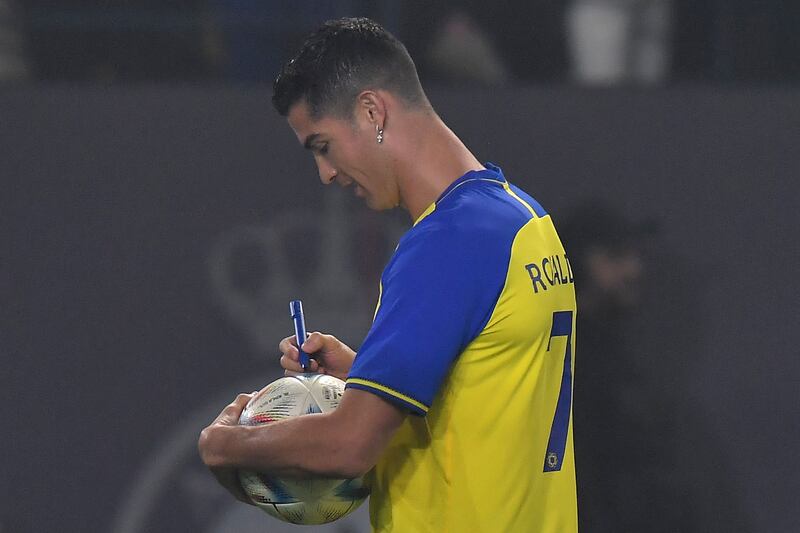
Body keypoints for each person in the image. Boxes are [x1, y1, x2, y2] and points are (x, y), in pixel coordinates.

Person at [198, 17, 578, 532]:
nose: (325, 174)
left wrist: (225, 444)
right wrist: (366, 373)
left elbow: (348, 446)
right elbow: (488, 399)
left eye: (322, 146)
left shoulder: (445, 244)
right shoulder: (523, 219)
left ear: (372, 111)